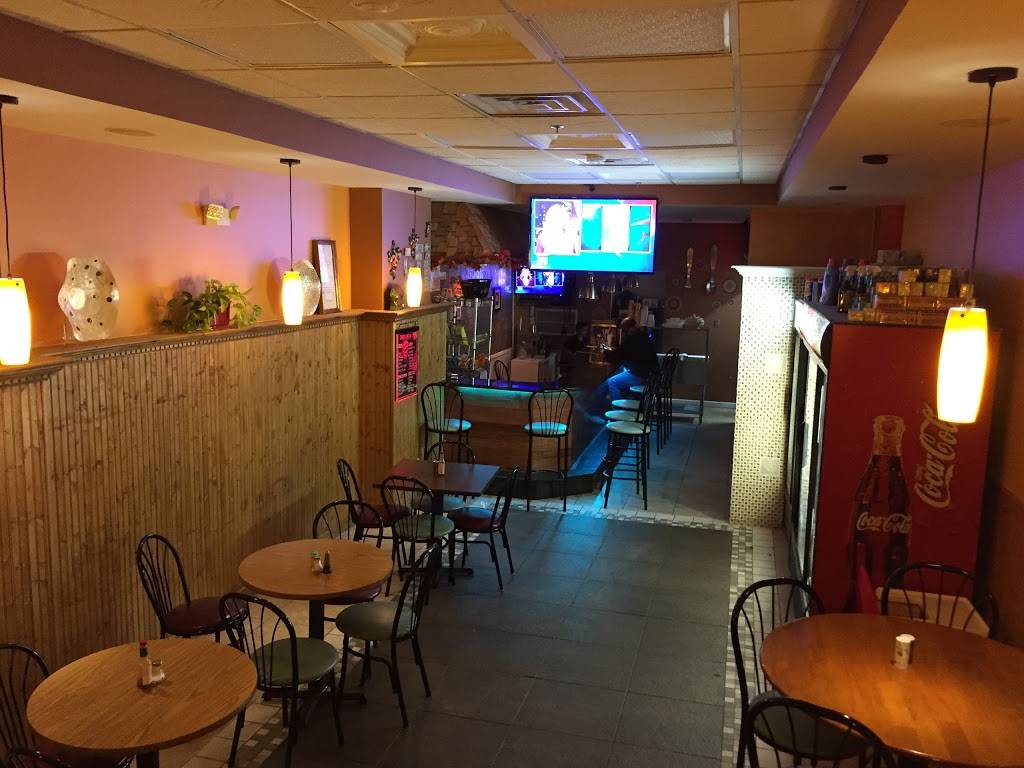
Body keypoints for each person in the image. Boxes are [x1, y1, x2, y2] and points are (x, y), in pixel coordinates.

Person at [604, 317, 657, 402]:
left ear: (629, 328)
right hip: (650, 374)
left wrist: (607, 352)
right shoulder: (643, 336)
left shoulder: (632, 338)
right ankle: (628, 401)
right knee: (623, 372)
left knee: (612, 382)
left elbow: (620, 354)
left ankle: (618, 407)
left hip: (640, 375)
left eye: (623, 328)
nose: (623, 331)